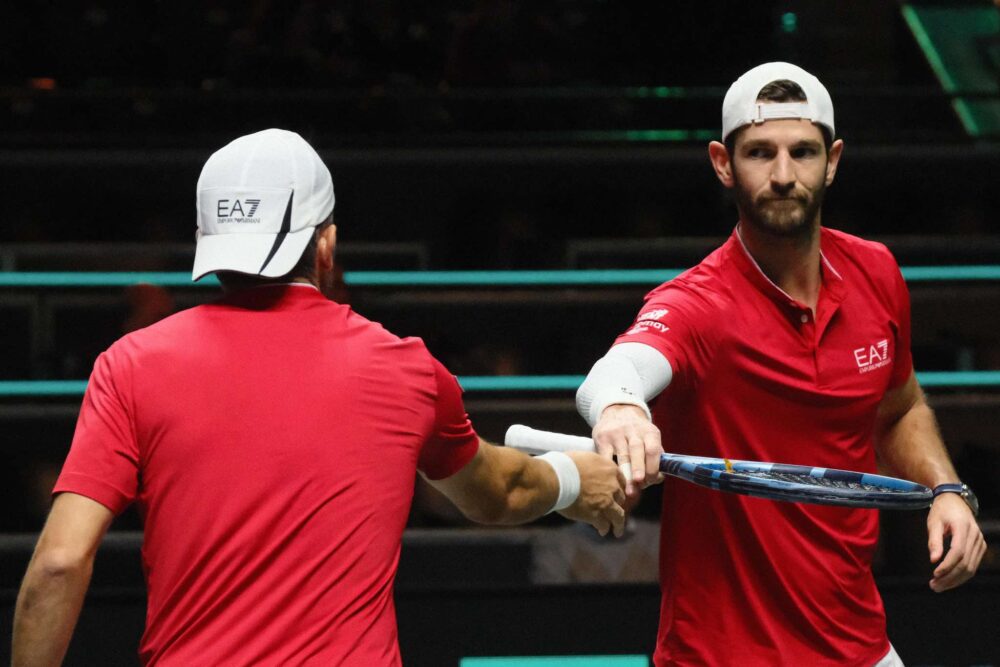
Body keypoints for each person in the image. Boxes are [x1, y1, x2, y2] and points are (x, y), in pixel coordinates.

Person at [13, 129, 627, 667]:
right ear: (327, 244)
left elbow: (60, 562)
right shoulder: (404, 368)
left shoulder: (129, 366)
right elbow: (501, 492)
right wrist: (574, 481)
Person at [575, 62, 986, 666]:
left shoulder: (876, 274)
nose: (785, 175)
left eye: (803, 152)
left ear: (834, 159)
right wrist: (619, 409)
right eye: (760, 153)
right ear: (723, 163)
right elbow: (620, 369)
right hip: (719, 655)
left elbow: (899, 410)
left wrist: (946, 489)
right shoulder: (697, 304)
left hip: (859, 647)